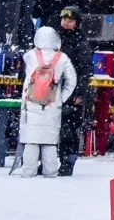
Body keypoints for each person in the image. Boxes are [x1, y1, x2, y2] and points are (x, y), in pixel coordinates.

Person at [17, 25, 77, 178]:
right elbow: (72, 80)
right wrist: (61, 98)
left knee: (31, 141)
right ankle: (50, 172)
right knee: (49, 142)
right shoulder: (62, 58)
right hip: (52, 106)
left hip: (31, 104)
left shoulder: (30, 55)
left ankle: (28, 172)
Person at [55, 7, 96, 176]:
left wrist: (79, 94)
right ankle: (48, 161)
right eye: (64, 19)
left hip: (72, 93)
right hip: (53, 90)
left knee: (69, 129)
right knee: (51, 128)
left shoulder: (81, 43)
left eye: (70, 20)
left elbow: (86, 71)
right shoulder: (55, 39)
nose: (66, 23)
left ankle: (68, 161)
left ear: (77, 23)